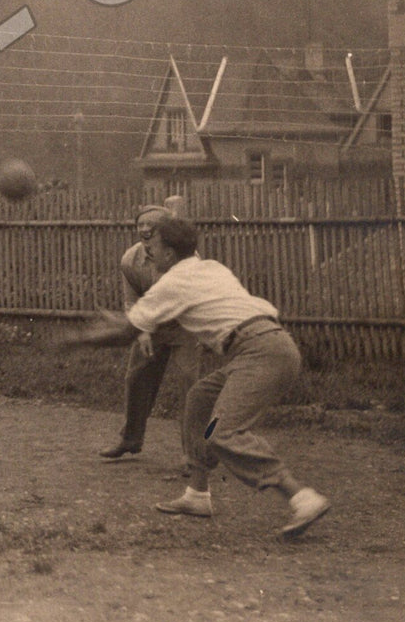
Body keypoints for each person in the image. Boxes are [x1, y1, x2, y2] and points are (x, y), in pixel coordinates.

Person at [70, 216, 332, 538]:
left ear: (168, 253)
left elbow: (129, 331)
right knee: (200, 400)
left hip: (261, 353)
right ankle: (197, 493)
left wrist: (78, 340)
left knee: (224, 431)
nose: (147, 250)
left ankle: (301, 497)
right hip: (264, 347)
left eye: (153, 244)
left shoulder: (172, 283)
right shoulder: (210, 268)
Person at [99, 198, 213, 464]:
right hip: (151, 326)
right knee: (136, 377)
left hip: (185, 325)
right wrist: (142, 331)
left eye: (153, 228)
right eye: (141, 227)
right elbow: (131, 302)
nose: (146, 233)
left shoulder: (185, 259)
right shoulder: (130, 259)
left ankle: (192, 454)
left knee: (189, 383)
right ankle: (130, 439)